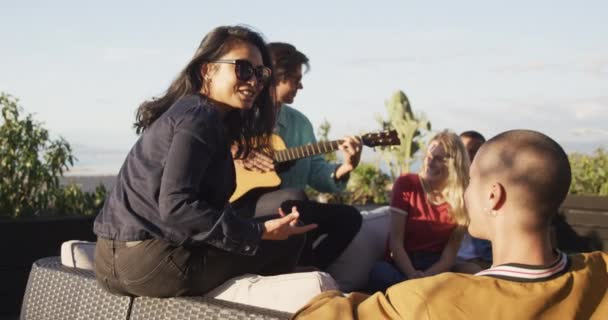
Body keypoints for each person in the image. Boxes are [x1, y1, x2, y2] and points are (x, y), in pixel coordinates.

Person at [93, 25, 317, 298]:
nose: (255, 81)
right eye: (243, 69)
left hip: (108, 262)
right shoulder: (200, 118)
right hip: (149, 264)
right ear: (207, 70)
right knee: (289, 240)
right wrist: (258, 232)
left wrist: (254, 230)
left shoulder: (189, 111)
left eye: (261, 73)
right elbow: (177, 206)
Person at [293, 129, 608, 320]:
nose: (465, 190)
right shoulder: (600, 271)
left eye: (472, 181)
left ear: (493, 197)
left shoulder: (432, 301)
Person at [231, 42, 363, 270]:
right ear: (275, 77)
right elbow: (212, 145)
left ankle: (312, 270)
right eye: (295, 79)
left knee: (350, 217)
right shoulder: (238, 114)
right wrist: (239, 153)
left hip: (292, 206)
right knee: (295, 200)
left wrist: (346, 166)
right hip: (240, 205)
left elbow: (315, 172)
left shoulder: (300, 123)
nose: (300, 86)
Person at [366, 130, 470, 292]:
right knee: (380, 273)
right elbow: (396, 243)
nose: (430, 162)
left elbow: (448, 258)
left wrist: (425, 279)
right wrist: (413, 277)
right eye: (429, 156)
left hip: (436, 269)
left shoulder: (460, 199)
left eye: (438, 159)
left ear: (454, 164)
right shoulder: (407, 184)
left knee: (469, 274)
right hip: (402, 265)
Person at [453, 130, 493, 273]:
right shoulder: (443, 190)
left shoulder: (493, 190)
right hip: (455, 261)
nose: (468, 157)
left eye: (474, 152)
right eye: (463, 151)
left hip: (487, 259)